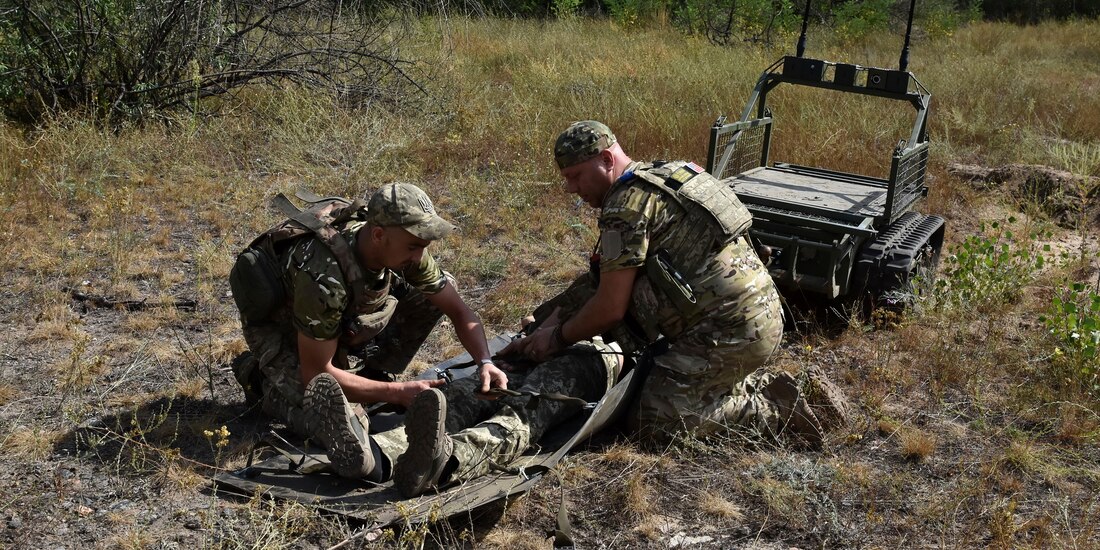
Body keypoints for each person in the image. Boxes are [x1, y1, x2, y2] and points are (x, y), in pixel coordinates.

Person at [499, 120, 847, 446]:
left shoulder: (625, 208)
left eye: (575, 176)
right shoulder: (668, 175)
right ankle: (750, 386)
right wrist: (543, 320)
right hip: (763, 314)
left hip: (728, 331)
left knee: (654, 419)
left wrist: (557, 338)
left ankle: (777, 409)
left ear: (606, 160)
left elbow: (609, 307)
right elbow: (599, 280)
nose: (571, 189)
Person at [230, 182, 508, 480]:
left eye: (423, 246)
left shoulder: (403, 246)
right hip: (282, 331)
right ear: (378, 235)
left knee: (434, 291)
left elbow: (459, 311)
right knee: (337, 419)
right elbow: (317, 373)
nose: (419, 256)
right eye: (413, 246)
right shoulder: (324, 279)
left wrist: (485, 362)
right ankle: (259, 380)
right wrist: (397, 394)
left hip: (329, 323)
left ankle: (374, 376)